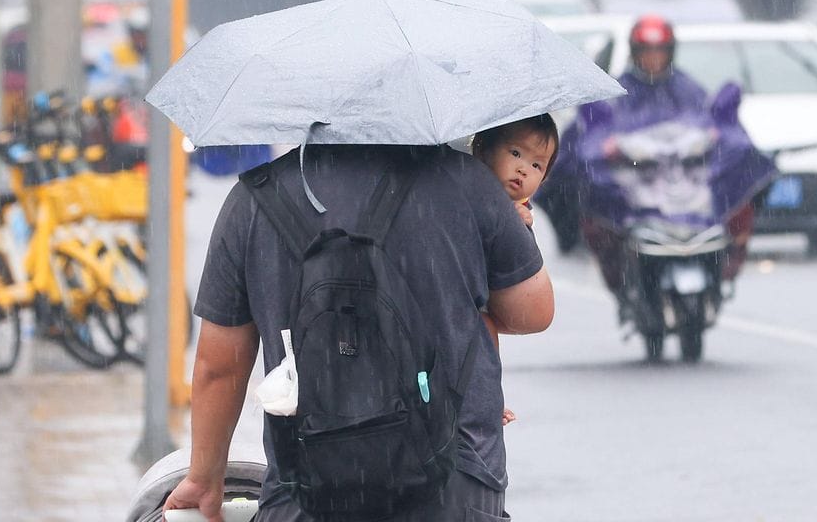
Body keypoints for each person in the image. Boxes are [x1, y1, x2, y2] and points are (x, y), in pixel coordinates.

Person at [164, 143, 554, 521]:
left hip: (309, 486)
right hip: (453, 480)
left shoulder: (253, 200)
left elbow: (220, 367)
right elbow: (533, 311)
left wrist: (205, 477)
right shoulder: (466, 182)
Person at [579, 14, 754, 321]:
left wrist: (712, 138)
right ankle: (621, 277)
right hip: (638, 184)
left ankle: (726, 264)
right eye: (646, 52)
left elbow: (713, 125)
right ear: (635, 52)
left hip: (685, 183)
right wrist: (611, 149)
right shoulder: (617, 91)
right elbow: (594, 136)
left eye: (659, 52)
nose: (653, 59)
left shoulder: (688, 89)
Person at [471, 114, 559, 426]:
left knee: (486, 333)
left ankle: (489, 397)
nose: (524, 169)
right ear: (482, 149)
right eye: (516, 154)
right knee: (482, 330)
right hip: (462, 296)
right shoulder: (472, 192)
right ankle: (485, 398)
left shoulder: (519, 211)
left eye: (537, 166)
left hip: (483, 298)